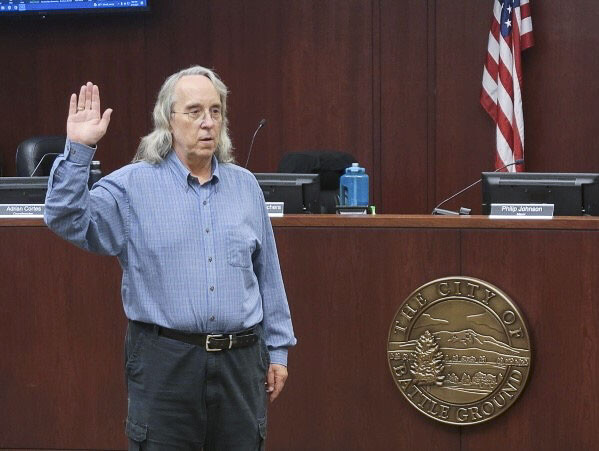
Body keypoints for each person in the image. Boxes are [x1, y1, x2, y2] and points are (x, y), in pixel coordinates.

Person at [44, 65, 296, 450]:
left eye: (216, 111)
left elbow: (268, 277)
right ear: (168, 120)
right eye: (194, 112)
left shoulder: (246, 188)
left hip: (241, 365)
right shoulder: (132, 186)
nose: (208, 123)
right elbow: (66, 217)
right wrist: (79, 149)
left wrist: (277, 349)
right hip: (166, 361)